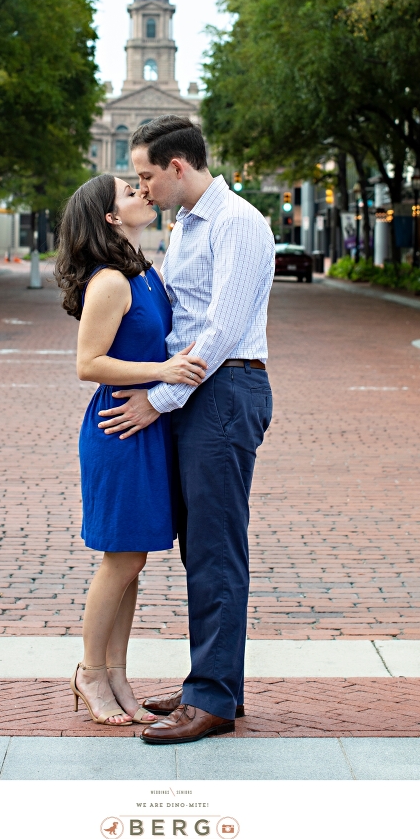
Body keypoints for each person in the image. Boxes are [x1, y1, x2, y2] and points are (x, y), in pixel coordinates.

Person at [97, 116, 275, 745]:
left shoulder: (238, 224)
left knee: (215, 548)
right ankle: (215, 682)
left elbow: (221, 330)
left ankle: (213, 701)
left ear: (177, 166)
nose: (142, 188)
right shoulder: (188, 225)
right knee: (199, 542)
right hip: (197, 393)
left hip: (223, 391)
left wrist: (158, 400)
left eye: (146, 175)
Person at [54, 174, 207, 726]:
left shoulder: (144, 274)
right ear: (109, 219)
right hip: (118, 428)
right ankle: (90, 671)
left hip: (145, 428)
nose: (142, 191)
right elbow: (87, 363)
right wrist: (162, 371)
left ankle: (117, 673)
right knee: (119, 559)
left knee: (133, 560)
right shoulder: (111, 282)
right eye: (127, 190)